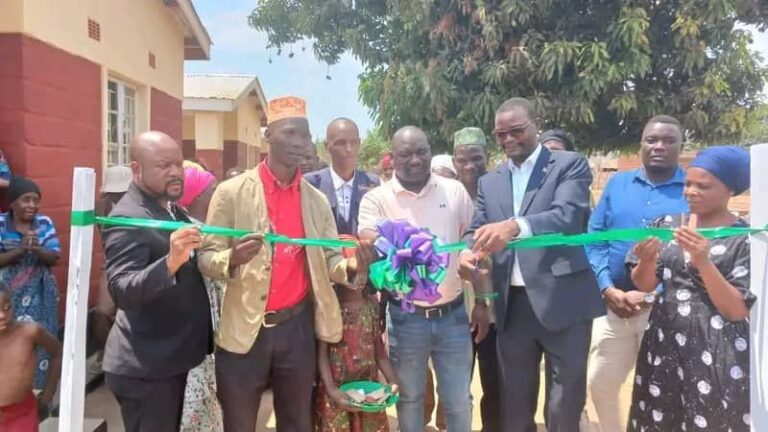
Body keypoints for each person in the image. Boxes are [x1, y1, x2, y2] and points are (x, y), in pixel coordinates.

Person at [198, 96, 376, 432]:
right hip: (244, 329)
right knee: (238, 422)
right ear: (268, 137)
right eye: (290, 133)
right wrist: (231, 259)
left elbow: (331, 259)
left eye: (305, 136)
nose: (300, 144)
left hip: (297, 329)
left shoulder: (316, 200)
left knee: (296, 422)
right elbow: (206, 257)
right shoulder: (231, 193)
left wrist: (354, 268)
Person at [460, 98, 603, 432]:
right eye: (500, 133)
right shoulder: (490, 182)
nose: (508, 139)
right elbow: (474, 229)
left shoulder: (569, 164)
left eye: (517, 130)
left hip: (564, 299)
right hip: (513, 307)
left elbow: (569, 215)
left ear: (536, 123)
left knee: (563, 405)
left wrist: (513, 227)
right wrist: (467, 253)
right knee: (515, 404)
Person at [358, 126, 489, 432]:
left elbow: (471, 236)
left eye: (421, 152)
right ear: (393, 157)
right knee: (410, 399)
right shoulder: (377, 198)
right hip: (405, 320)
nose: (415, 160)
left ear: (431, 151)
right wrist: (406, 240)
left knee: (458, 400)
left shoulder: (453, 191)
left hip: (454, 316)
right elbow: (367, 234)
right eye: (406, 154)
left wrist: (482, 296)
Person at [627, 146, 754, 431]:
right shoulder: (668, 224)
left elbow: (736, 309)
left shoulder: (743, 239)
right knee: (659, 417)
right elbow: (644, 283)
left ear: (730, 190)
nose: (691, 191)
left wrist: (703, 262)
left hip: (715, 349)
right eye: (688, 183)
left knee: (710, 418)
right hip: (664, 341)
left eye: (703, 186)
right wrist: (646, 260)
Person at [102, 131, 212, 432]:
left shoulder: (170, 208)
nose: (176, 173)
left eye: (178, 164)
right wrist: (169, 263)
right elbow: (122, 290)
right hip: (145, 369)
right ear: (136, 169)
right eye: (164, 166)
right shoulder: (128, 218)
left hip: (169, 360)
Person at [585, 115, 689, 432]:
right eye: (651, 140)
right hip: (613, 306)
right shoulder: (618, 184)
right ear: (641, 144)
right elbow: (595, 238)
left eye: (668, 140)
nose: (659, 146)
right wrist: (606, 288)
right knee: (600, 384)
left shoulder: (692, 188)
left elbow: (693, 257)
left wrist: (650, 294)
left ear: (681, 146)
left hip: (666, 310)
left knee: (664, 391)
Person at [315, 241, 399, 432]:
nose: (359, 279)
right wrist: (331, 389)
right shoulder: (331, 310)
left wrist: (392, 380)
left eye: (364, 272)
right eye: (353, 273)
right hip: (336, 391)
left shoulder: (372, 306)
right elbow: (321, 354)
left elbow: (379, 352)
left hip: (368, 391)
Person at [452, 127, 501, 432]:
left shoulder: (498, 192)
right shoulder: (445, 194)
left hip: (494, 305)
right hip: (455, 308)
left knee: (495, 381)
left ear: (487, 157)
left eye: (476, 158)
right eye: (462, 159)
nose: (469, 165)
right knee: (458, 385)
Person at [0, 177, 61, 393]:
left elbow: (54, 257)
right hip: (7, 295)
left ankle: (41, 394)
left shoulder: (44, 224)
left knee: (41, 340)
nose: (32, 206)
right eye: (26, 200)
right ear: (13, 203)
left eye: (36, 200)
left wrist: (36, 249)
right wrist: (19, 250)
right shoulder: (0, 224)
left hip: (40, 294)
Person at [177, 166, 223, 432]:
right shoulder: (191, 233)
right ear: (195, 197)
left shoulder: (208, 229)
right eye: (212, 191)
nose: (216, 196)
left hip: (208, 326)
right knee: (194, 401)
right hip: (195, 327)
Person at [0, 284, 61, 431]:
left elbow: (57, 351)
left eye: (7, 307)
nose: (2, 315)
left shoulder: (29, 332)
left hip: (21, 413)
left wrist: (49, 393)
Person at [305, 118, 380, 236]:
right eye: (340, 143)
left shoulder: (373, 183)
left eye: (354, 142)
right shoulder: (311, 184)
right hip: (323, 253)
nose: (348, 149)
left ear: (359, 143)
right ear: (327, 146)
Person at [92, 166, 133, 373]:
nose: (120, 196)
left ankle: (126, 356)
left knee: (130, 312)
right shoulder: (100, 208)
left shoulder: (140, 207)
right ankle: (104, 353)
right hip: (111, 263)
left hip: (136, 263)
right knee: (102, 312)